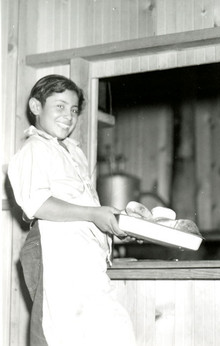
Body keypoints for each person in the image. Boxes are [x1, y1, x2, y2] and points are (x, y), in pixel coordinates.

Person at [8, 75, 136, 346]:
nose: (69, 115)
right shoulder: (34, 149)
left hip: (85, 261)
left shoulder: (73, 152)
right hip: (56, 255)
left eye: (74, 110)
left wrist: (110, 221)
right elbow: (38, 205)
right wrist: (94, 214)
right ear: (35, 106)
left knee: (108, 333)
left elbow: (85, 209)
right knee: (59, 333)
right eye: (60, 106)